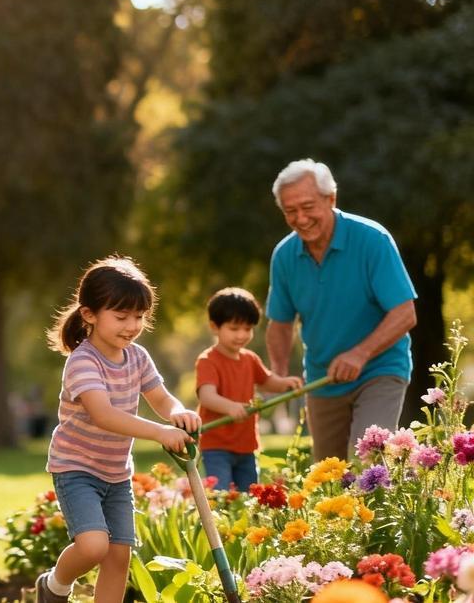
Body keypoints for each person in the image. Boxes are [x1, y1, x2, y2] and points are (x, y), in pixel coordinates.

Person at [35, 256, 200, 603]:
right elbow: (104, 415)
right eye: (121, 317)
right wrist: (160, 433)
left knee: (118, 557)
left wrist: (178, 412)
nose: (132, 325)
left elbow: (161, 398)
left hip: (116, 472)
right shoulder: (82, 361)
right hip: (76, 468)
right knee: (93, 546)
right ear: (89, 314)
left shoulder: (137, 357)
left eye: (139, 316)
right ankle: (54, 586)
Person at [266, 159, 417, 462]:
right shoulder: (284, 256)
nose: (300, 218)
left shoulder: (373, 240)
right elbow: (280, 324)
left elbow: (405, 313)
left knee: (370, 462)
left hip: (379, 370)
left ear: (331, 199)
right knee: (329, 475)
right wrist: (278, 374)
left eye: (308, 207)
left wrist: (360, 354)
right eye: (290, 211)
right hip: (323, 379)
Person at [195, 287, 302, 492]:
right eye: (234, 328)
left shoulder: (250, 359)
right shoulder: (208, 360)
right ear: (215, 327)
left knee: (250, 495)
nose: (242, 335)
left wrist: (285, 383)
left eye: (247, 328)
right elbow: (207, 396)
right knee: (222, 494)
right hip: (216, 445)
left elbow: (266, 380)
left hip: (246, 444)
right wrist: (230, 407)